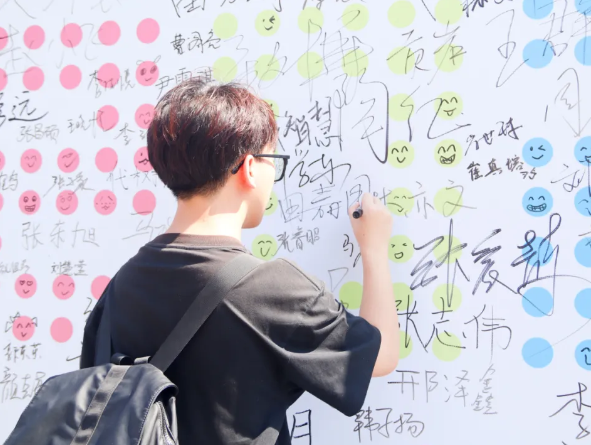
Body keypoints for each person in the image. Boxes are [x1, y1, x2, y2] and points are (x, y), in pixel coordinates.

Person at [79, 78, 399, 444]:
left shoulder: (119, 289)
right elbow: (380, 356)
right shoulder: (274, 290)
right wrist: (374, 250)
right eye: (273, 160)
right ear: (249, 168)